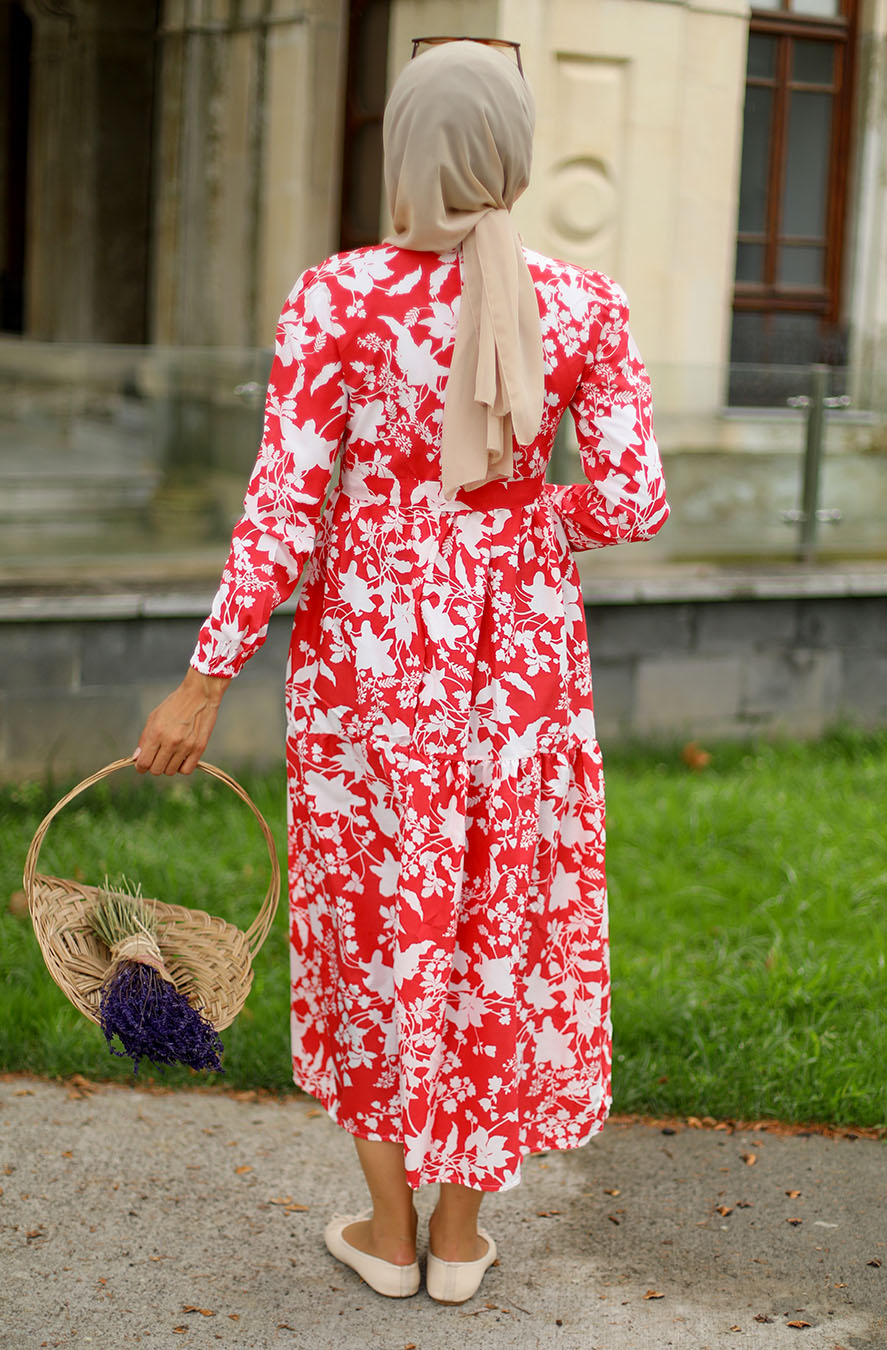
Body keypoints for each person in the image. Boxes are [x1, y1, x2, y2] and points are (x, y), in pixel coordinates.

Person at [134, 37, 669, 1305]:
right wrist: (523, 522)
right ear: (514, 154)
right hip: (521, 666)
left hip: (371, 664)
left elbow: (283, 507)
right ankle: (464, 1236)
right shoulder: (584, 307)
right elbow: (638, 500)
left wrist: (208, 675)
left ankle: (387, 1228)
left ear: (409, 157)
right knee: (501, 925)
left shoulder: (339, 298)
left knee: (376, 917)